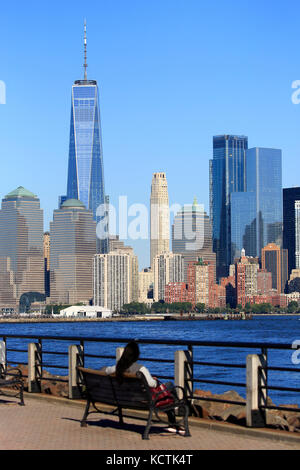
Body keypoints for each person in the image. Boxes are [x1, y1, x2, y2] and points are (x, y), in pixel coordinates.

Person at [103, 340, 184, 434]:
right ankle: (174, 419)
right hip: (142, 401)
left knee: (167, 391)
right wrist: (154, 380)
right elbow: (152, 384)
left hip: (126, 399)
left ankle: (173, 422)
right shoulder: (141, 369)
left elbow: (106, 371)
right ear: (136, 355)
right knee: (169, 386)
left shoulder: (118, 368)